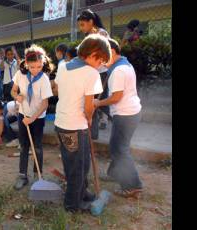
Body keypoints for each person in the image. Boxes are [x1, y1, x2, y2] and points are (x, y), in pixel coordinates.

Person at [53, 34, 111, 213]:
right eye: (101, 60)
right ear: (93, 54)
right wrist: (90, 117)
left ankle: (82, 192)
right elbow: (88, 106)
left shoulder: (63, 66)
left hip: (61, 123)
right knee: (78, 166)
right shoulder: (91, 73)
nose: (101, 65)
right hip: (76, 126)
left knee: (77, 163)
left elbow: (58, 88)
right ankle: (72, 204)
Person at [94, 39, 143, 198]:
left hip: (125, 114)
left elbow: (116, 97)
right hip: (130, 112)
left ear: (112, 52)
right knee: (119, 146)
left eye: (102, 55)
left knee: (119, 149)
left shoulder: (118, 71)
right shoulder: (124, 64)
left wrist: (98, 102)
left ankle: (133, 186)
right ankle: (114, 173)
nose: (100, 59)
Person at [11, 45, 53, 190]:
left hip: (38, 118)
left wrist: (33, 118)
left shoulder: (44, 80)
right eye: (32, 67)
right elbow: (13, 91)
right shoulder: (20, 75)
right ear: (26, 64)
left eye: (39, 66)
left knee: (38, 148)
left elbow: (45, 104)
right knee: (24, 147)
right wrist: (17, 97)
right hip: (23, 116)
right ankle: (22, 175)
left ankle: (38, 175)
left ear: (43, 63)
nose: (36, 70)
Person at [78, 9, 110, 133]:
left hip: (101, 70)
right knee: (92, 97)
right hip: (91, 70)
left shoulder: (101, 33)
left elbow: (104, 52)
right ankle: (96, 122)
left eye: (82, 24)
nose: (81, 28)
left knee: (100, 96)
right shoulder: (89, 36)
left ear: (91, 21)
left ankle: (104, 119)